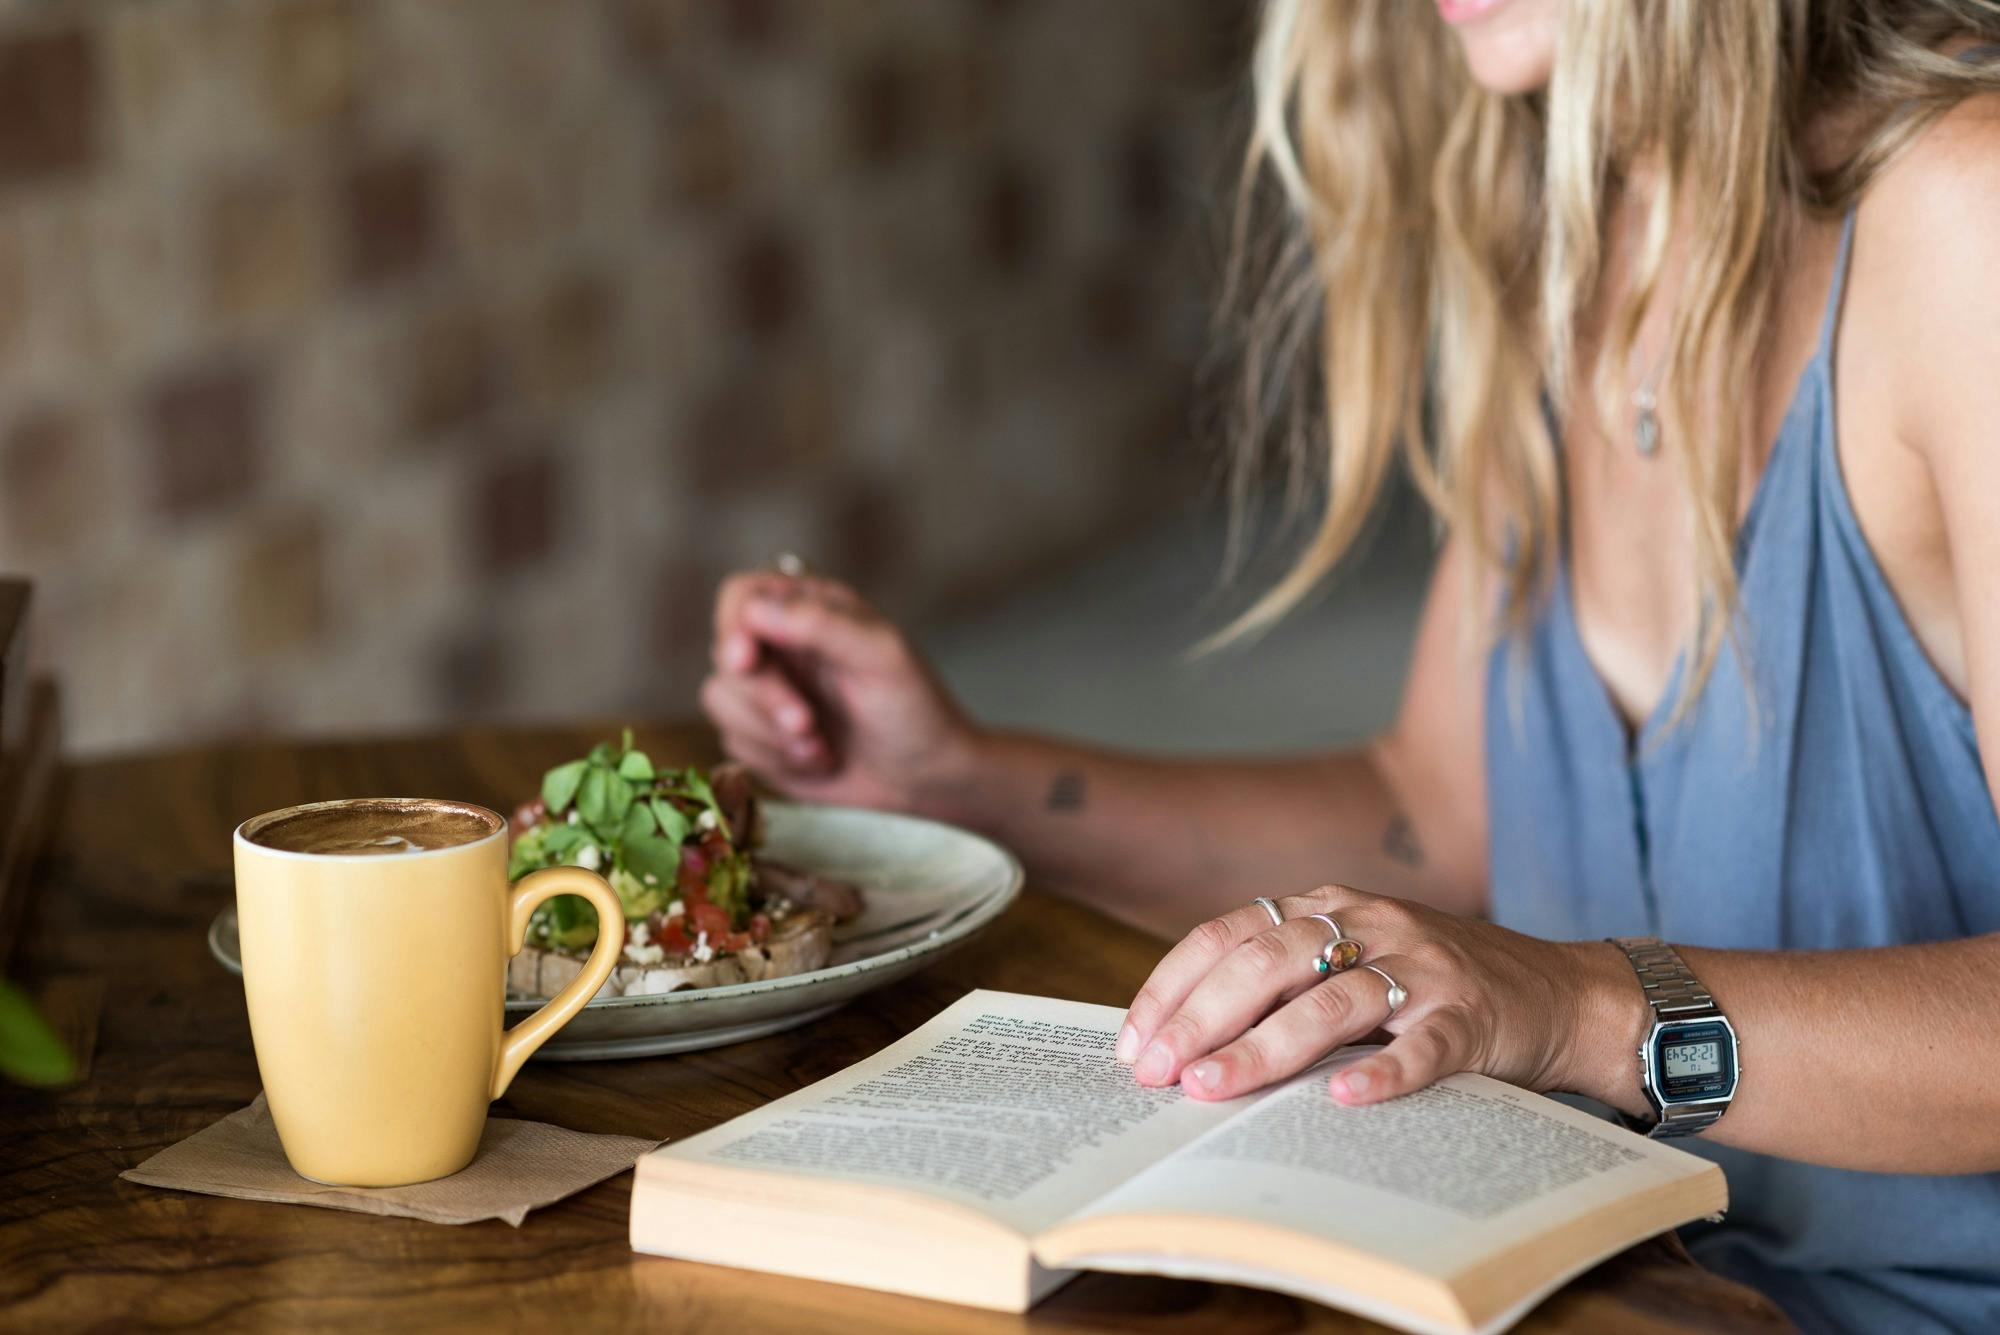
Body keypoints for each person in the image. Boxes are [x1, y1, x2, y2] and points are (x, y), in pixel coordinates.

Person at [702, 2, 2000, 1329]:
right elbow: (1436, 815)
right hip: (1606, 1290)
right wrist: (963, 782)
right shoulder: (1573, 225)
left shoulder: (1971, 215)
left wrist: (1574, 1005)